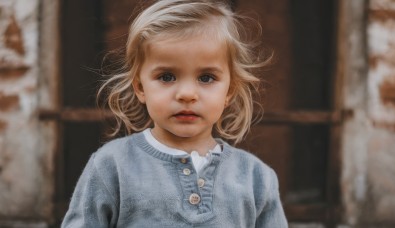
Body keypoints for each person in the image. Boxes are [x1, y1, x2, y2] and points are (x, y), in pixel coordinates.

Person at [61, 0, 288, 227]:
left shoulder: (255, 178)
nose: (187, 94)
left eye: (206, 77)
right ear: (140, 87)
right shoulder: (112, 166)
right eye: (167, 77)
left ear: (230, 90)